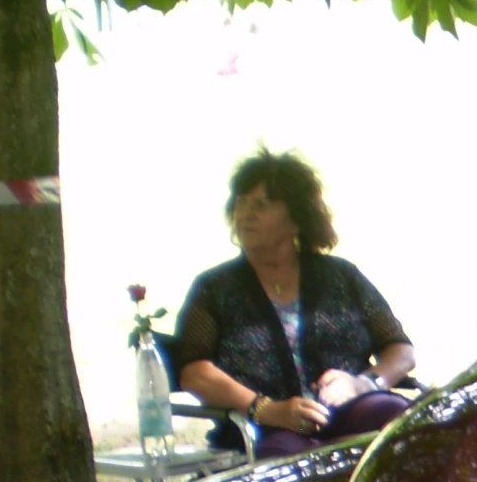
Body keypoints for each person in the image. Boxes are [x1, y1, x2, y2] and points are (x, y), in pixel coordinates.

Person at [172, 150, 417, 460]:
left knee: (397, 419)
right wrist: (266, 409)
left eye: (260, 205)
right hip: (267, 431)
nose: (245, 214)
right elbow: (194, 372)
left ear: (296, 219)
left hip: (352, 409)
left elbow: (401, 350)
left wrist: (364, 383)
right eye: (240, 203)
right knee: (286, 462)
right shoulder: (214, 289)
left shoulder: (341, 277)